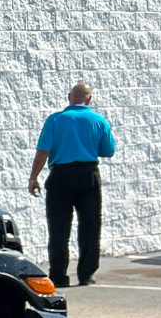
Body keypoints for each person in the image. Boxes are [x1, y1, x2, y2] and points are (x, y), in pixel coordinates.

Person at [28, 82, 116, 287]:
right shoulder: (99, 121)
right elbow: (108, 151)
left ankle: (58, 275)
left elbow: (43, 152)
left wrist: (33, 177)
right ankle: (86, 274)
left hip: (60, 175)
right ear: (89, 99)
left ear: (69, 97)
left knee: (58, 226)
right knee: (90, 224)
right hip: (89, 174)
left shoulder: (55, 120)